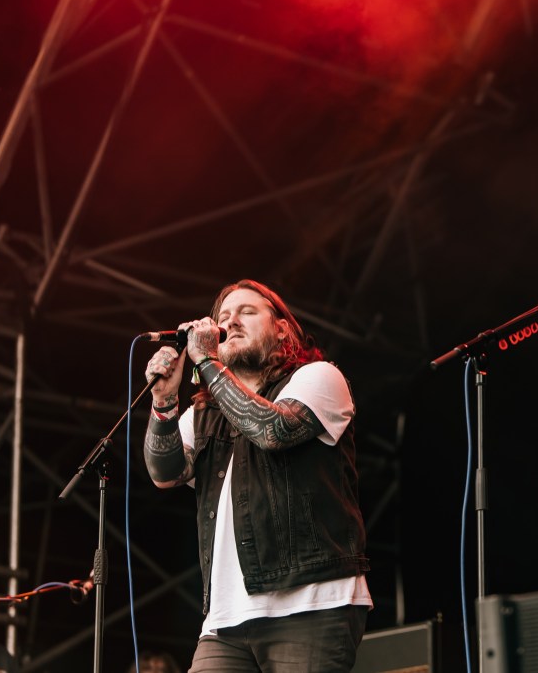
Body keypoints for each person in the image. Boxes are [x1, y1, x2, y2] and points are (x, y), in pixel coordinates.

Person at [143, 279, 372, 672]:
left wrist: (207, 362)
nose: (230, 322)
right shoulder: (205, 414)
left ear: (281, 329)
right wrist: (163, 401)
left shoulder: (318, 378)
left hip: (311, 604)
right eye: (224, 316)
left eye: (246, 312)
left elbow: (272, 431)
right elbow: (164, 473)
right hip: (225, 620)